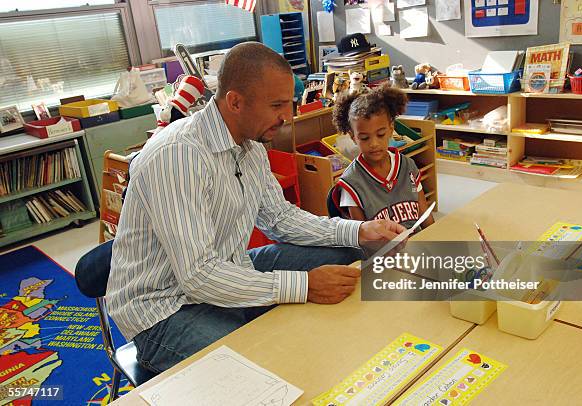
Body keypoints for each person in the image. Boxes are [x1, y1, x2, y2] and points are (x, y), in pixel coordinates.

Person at [106, 42, 405, 374]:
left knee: (345, 251)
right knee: (261, 368)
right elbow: (199, 276)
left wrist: (359, 230)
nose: (286, 116)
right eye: (276, 105)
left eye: (288, 103)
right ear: (235, 101)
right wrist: (304, 286)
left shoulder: (251, 142)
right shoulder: (178, 156)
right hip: (165, 308)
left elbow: (279, 217)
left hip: (231, 268)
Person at [330, 84, 434, 231]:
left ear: (391, 129)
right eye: (365, 138)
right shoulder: (351, 183)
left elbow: (426, 219)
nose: (374, 144)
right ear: (353, 138)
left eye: (380, 135)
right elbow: (363, 241)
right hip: (383, 252)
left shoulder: (408, 166)